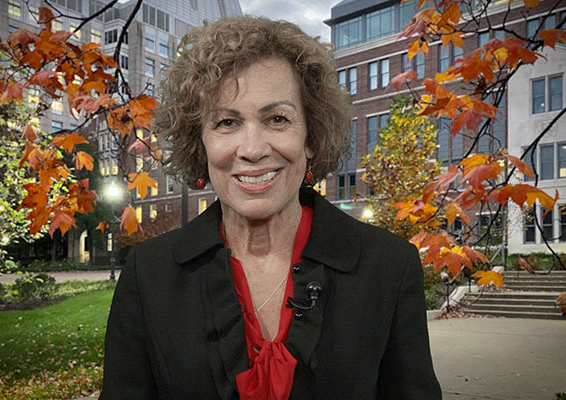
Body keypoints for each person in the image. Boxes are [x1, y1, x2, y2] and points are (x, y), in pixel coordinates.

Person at [99, 16, 442, 400]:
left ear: (311, 136)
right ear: (200, 144)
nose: (252, 148)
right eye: (227, 122)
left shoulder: (389, 266)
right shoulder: (149, 273)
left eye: (277, 119)